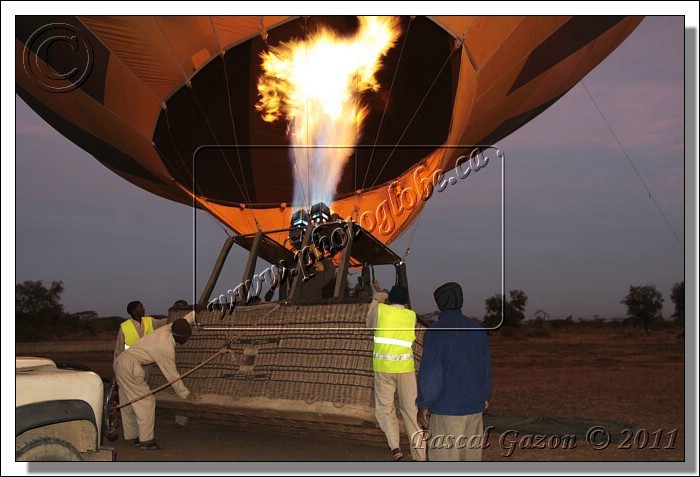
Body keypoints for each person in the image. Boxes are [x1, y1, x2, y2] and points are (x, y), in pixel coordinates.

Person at [416, 282, 493, 461]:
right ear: (461, 300)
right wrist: (485, 396)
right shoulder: (478, 330)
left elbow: (432, 374)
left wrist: (424, 403)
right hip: (475, 407)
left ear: (439, 303)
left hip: (447, 409)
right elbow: (485, 368)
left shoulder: (436, 332)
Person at [113, 318, 201, 450]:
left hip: (121, 363)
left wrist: (195, 312)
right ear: (181, 337)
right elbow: (173, 377)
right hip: (130, 367)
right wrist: (187, 395)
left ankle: (134, 436)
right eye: (187, 338)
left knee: (128, 401)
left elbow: (184, 319)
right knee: (146, 402)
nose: (187, 341)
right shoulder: (165, 348)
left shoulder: (167, 329)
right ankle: (146, 441)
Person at [366, 281, 426, 462]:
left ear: (389, 298)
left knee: (385, 410)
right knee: (410, 412)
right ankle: (421, 455)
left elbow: (370, 323)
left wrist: (378, 296)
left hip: (384, 369)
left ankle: (395, 448)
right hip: (405, 369)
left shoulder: (380, 310)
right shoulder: (411, 316)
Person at [113, 301, 168, 372]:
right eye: (140, 307)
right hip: (132, 365)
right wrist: (117, 369)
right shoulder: (124, 327)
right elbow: (118, 350)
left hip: (149, 364)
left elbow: (165, 322)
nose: (144, 309)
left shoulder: (150, 321)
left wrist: (177, 315)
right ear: (134, 311)